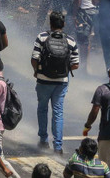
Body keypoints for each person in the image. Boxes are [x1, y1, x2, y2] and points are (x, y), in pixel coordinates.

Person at [32, 11, 79, 154]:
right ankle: (58, 147)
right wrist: (64, 69)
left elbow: (34, 58)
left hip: (43, 80)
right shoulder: (71, 41)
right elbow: (75, 64)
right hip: (61, 82)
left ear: (50, 23)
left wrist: (37, 71)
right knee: (58, 112)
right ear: (63, 24)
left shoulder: (42, 37)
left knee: (42, 109)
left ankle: (43, 140)